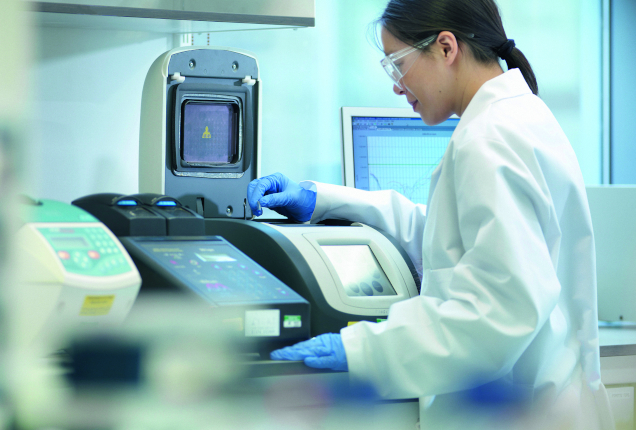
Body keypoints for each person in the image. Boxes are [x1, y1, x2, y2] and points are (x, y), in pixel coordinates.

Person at [247, 0, 615, 429]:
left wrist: (365, 350)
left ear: (446, 48)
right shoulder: (519, 116)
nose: (397, 86)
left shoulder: (488, 139)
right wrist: (323, 199)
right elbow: (453, 239)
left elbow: (498, 313)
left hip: (521, 413)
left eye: (396, 64)